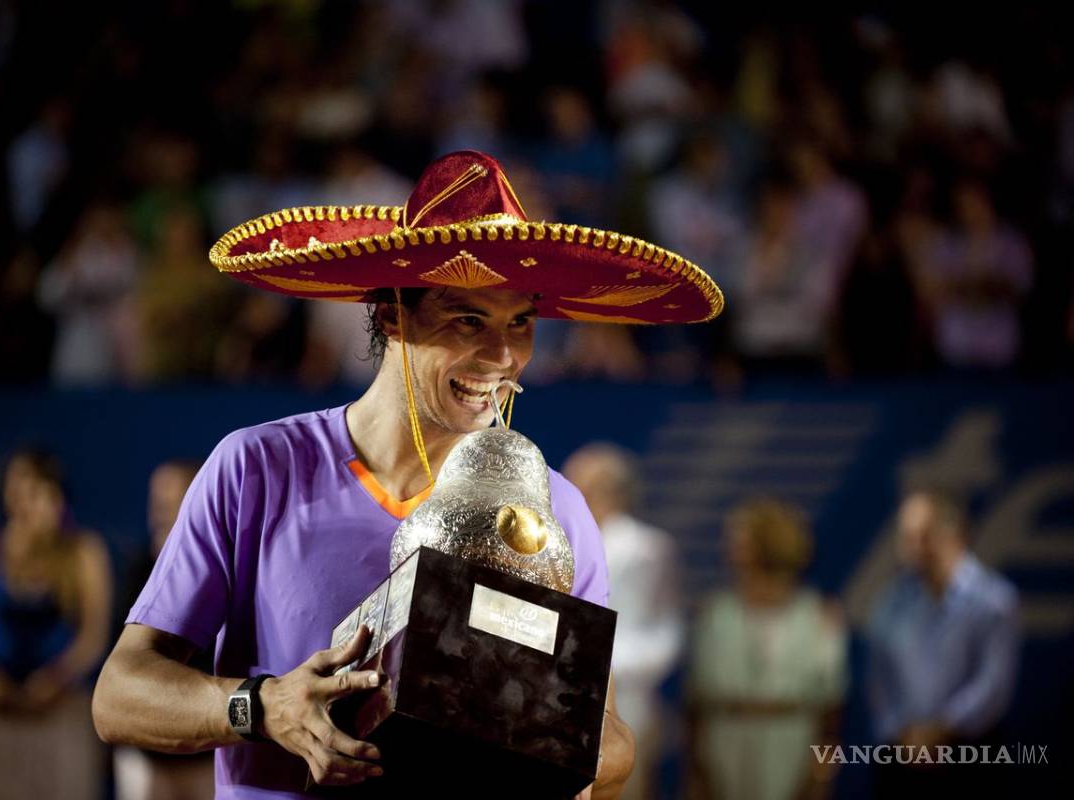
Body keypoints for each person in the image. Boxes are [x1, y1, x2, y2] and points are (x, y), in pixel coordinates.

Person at [92, 150, 723, 799]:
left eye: (521, 323)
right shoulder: (255, 468)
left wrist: (523, 734)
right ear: (392, 312)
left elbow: (610, 742)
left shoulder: (557, 508)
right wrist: (260, 706)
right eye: (468, 319)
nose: (503, 357)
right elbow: (119, 696)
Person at [0, 448, 113, 800]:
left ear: (56, 496)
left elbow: (94, 636)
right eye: (18, 490)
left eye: (37, 491)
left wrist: (54, 681)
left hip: (60, 705)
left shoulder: (84, 551)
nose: (27, 503)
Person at [685, 498, 847, 800]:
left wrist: (821, 773)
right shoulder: (715, 615)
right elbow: (695, 704)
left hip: (791, 743)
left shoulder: (818, 616)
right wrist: (696, 775)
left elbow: (831, 710)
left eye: (742, 539)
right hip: (724, 745)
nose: (732, 549)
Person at [866, 489, 1020, 796]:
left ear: (956, 534)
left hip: (972, 759)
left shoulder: (994, 601)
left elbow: (992, 685)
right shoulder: (891, 603)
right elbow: (879, 680)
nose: (912, 548)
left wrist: (943, 730)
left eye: (923, 536)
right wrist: (903, 734)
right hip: (902, 760)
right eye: (907, 537)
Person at [562, 443, 683, 800]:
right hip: (562, 702)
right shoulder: (557, 542)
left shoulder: (649, 548)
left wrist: (605, 668)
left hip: (629, 707)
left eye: (577, 484)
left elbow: (666, 632)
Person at [112, 460, 215, 800]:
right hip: (146, 752)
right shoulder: (138, 568)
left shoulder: (228, 570)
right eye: (157, 503)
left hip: (211, 748)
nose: (162, 515)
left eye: (174, 504)